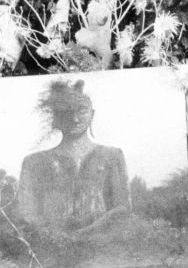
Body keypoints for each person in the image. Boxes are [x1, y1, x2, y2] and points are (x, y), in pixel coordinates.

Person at [17, 79, 131, 235]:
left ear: (92, 114)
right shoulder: (34, 162)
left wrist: (84, 234)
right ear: (55, 117)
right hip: (51, 248)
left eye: (82, 111)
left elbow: (122, 209)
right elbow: (27, 215)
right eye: (67, 112)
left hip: (102, 246)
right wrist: (56, 237)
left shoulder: (112, 156)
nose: (75, 119)